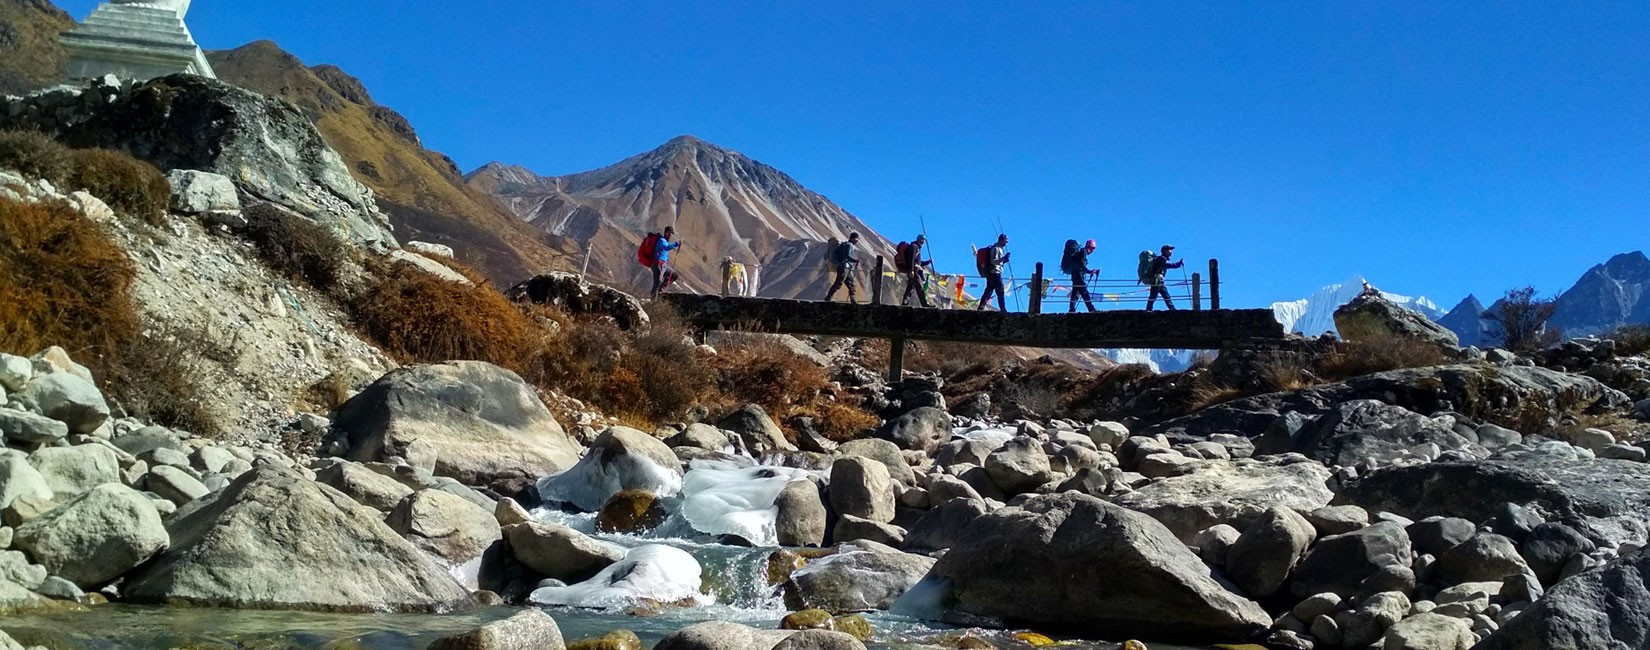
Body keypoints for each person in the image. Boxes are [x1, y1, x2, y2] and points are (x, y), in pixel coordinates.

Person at [825, 232, 861, 303]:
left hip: (844, 267)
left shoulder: (845, 244)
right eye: (857, 239)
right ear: (854, 238)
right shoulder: (849, 245)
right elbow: (847, 256)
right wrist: (854, 260)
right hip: (844, 267)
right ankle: (828, 297)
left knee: (850, 284)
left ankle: (852, 299)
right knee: (839, 283)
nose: (857, 241)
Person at [977, 234, 1010, 311]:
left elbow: (997, 262)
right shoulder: (995, 249)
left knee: (989, 290)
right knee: (1000, 291)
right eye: (1006, 241)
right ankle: (1003, 309)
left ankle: (981, 308)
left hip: (992, 272)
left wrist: (1004, 260)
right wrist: (1003, 259)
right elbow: (993, 261)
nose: (1006, 243)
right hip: (995, 273)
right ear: (1002, 240)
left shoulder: (999, 249)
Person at [1146, 244, 1184, 311]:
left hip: (1158, 280)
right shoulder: (1162, 259)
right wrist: (1178, 264)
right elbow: (1167, 265)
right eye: (1169, 249)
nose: (1171, 251)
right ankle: (1149, 309)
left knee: (1162, 295)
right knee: (1156, 295)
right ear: (1165, 251)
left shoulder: (1161, 258)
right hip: (1157, 280)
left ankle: (1172, 309)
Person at [650, 226, 683, 298]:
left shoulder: (665, 242)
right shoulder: (661, 240)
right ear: (665, 232)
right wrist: (676, 244)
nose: (670, 235)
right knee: (657, 282)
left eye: (671, 234)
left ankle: (660, 291)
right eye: (669, 233)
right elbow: (666, 248)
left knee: (674, 275)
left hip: (663, 265)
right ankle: (653, 299)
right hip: (658, 264)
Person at [901, 235, 932, 307]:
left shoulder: (916, 248)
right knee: (920, 287)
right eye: (922, 240)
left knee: (910, 288)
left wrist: (928, 262)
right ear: (919, 239)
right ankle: (924, 304)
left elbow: (919, 263)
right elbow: (911, 259)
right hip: (913, 271)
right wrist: (911, 270)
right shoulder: (914, 247)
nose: (923, 241)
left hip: (914, 270)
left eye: (924, 240)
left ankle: (904, 303)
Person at [1069, 239, 1099, 313]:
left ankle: (1071, 310)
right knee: (1084, 292)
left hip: (1075, 275)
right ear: (1090, 247)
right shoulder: (1083, 252)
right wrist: (1090, 271)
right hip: (1079, 275)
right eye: (1093, 248)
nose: (1093, 250)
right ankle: (1091, 309)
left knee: (1075, 293)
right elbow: (1082, 264)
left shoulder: (1081, 252)